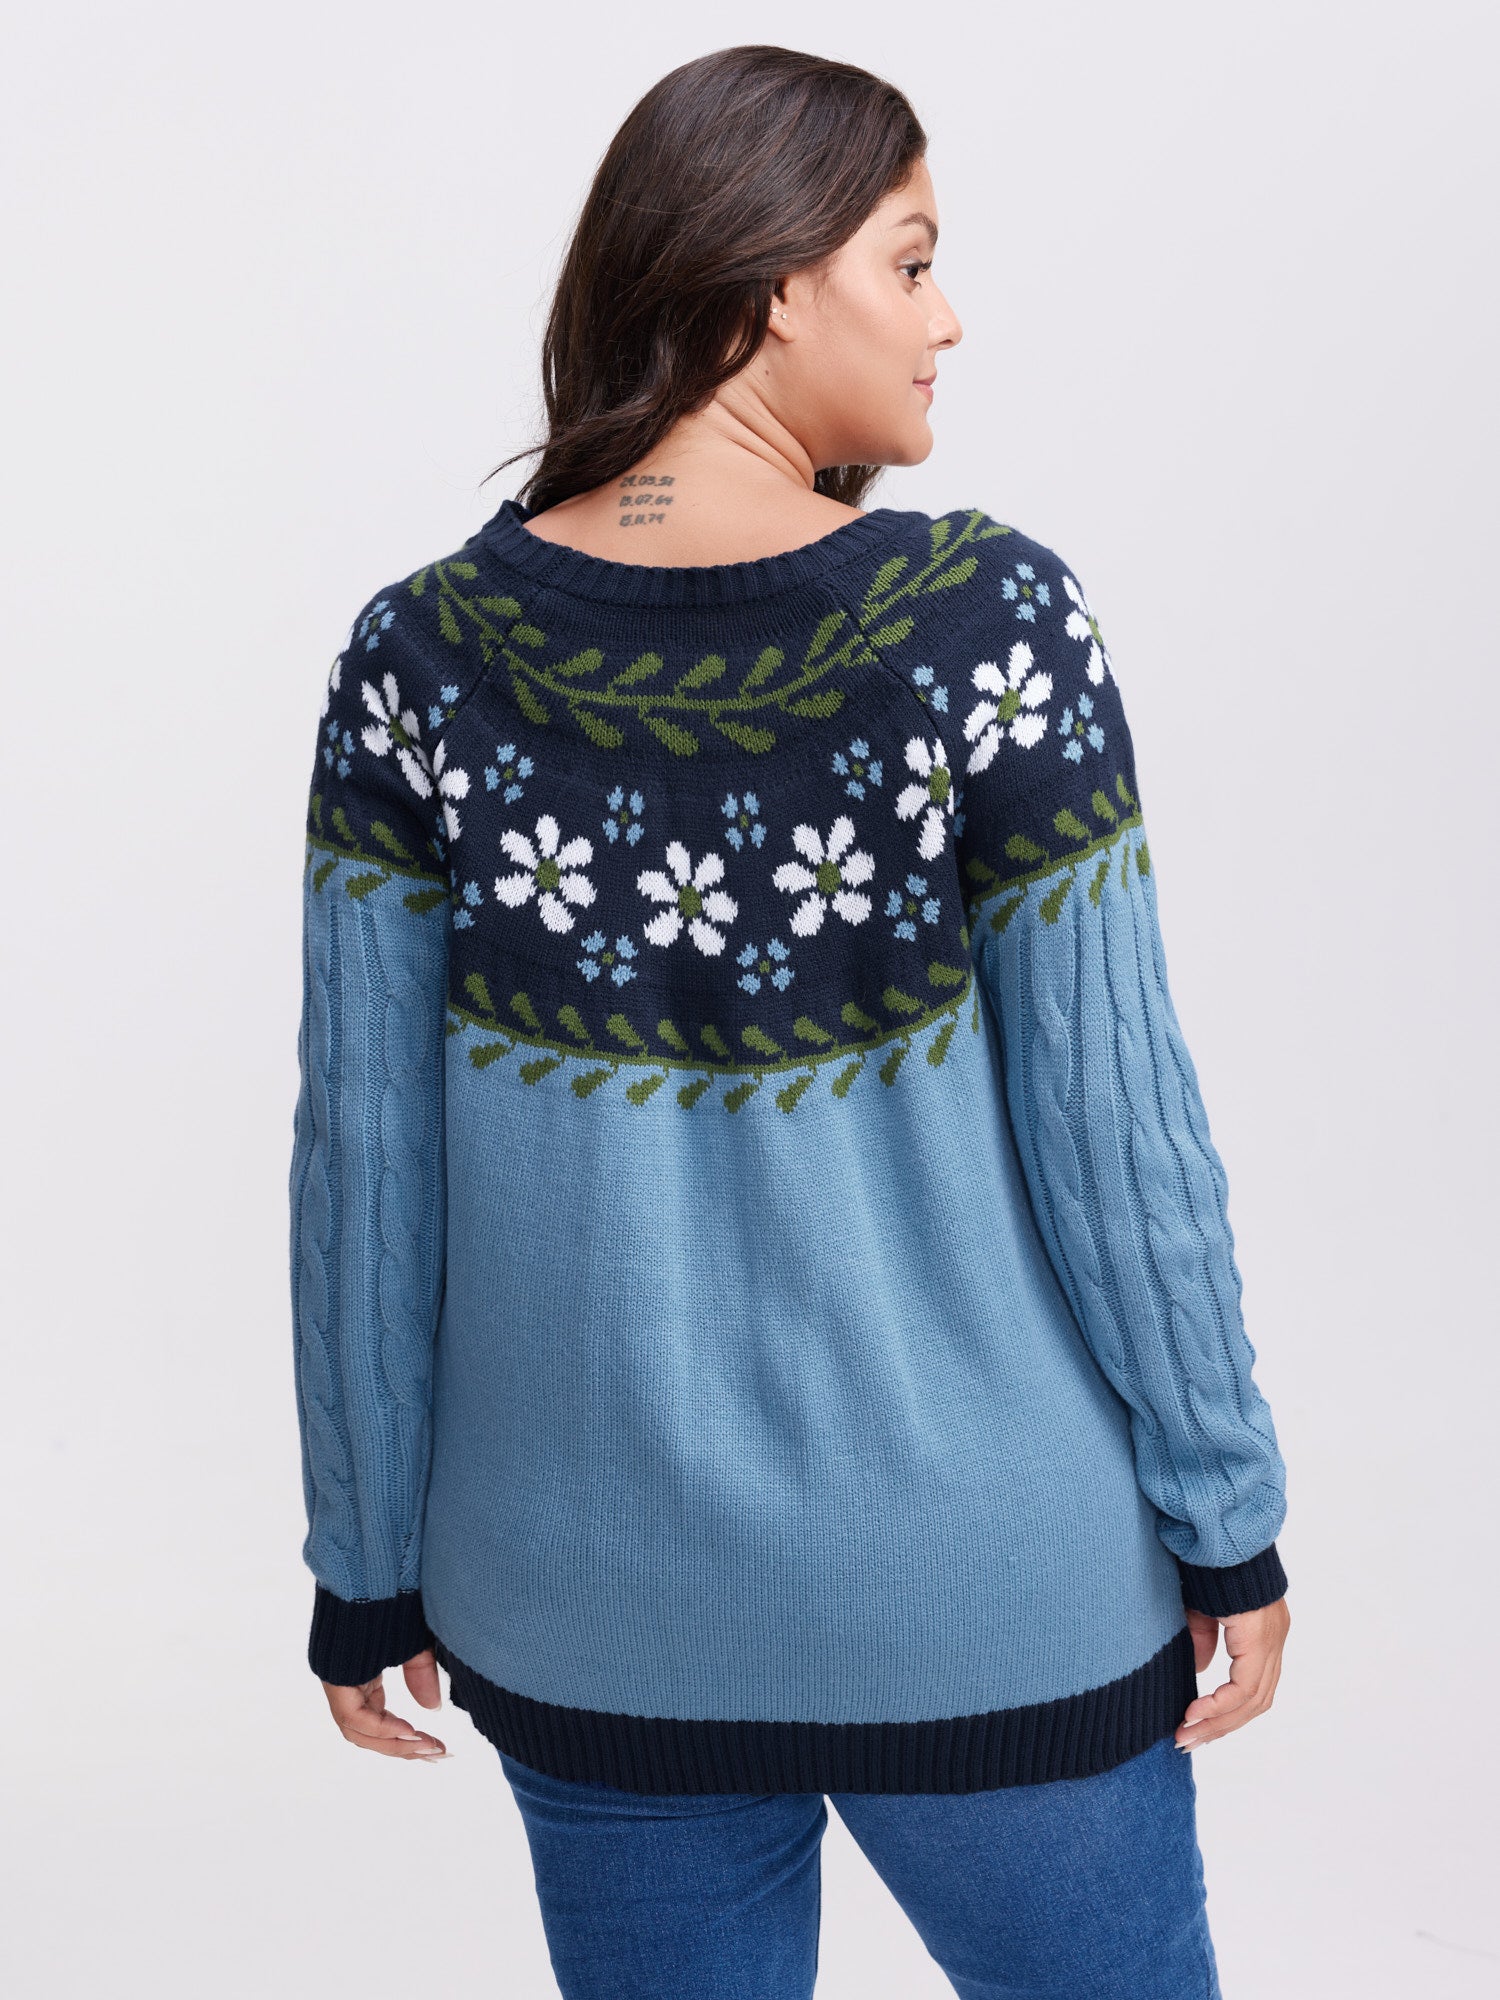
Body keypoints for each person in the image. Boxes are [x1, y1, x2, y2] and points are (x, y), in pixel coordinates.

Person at [288, 42, 1290, 2000]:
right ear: (767, 286)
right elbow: (1116, 1128)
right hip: (985, 1599)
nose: (948, 318)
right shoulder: (988, 625)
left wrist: (366, 1555)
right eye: (909, 262)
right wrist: (1227, 1511)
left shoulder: (419, 660)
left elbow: (365, 1172)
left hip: (584, 1609)